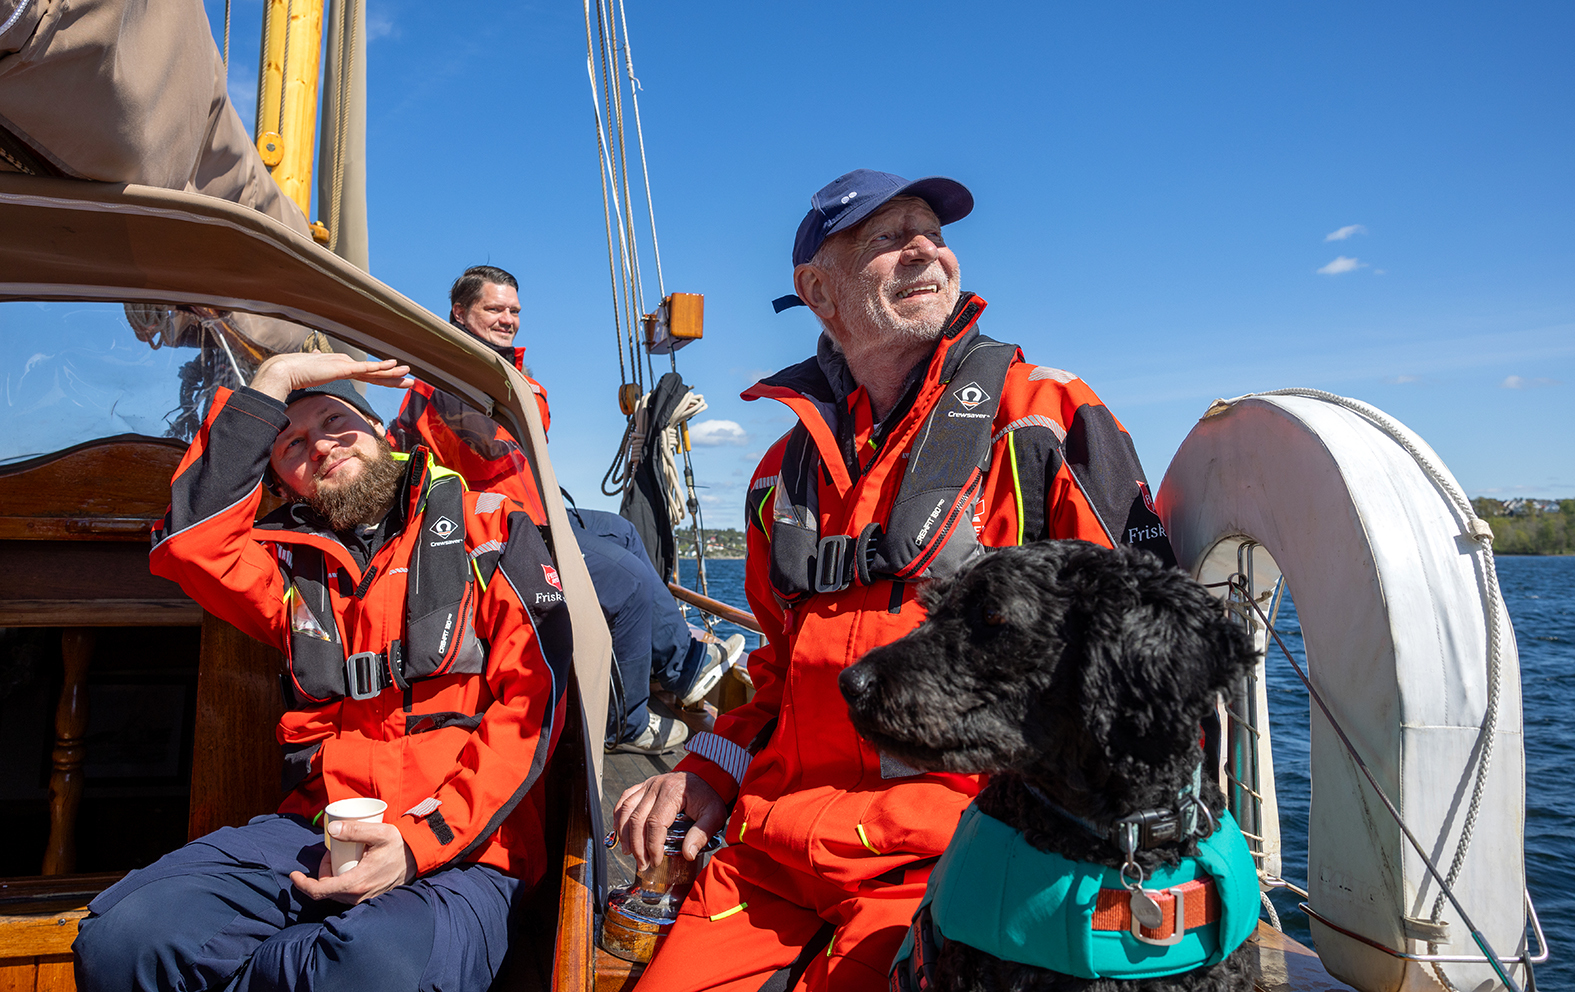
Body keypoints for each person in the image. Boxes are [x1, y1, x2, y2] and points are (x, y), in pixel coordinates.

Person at [614, 169, 1178, 992]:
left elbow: (1146, 652)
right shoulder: (779, 476)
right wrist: (706, 768)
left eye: (933, 235)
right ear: (818, 291)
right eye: (887, 238)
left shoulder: (1041, 419)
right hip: (772, 854)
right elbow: (776, 673)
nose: (924, 251)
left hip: (963, 855)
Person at [74, 352, 572, 992]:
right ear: (280, 481)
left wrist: (419, 842)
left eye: (336, 421)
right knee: (122, 942)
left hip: (466, 847)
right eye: (292, 445)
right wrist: (272, 380)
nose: (321, 446)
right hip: (315, 834)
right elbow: (189, 544)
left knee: (370, 969)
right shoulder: (286, 566)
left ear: (380, 429)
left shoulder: (492, 527)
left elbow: (533, 704)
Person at [391, 265, 744, 755]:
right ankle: (624, 724)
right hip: (499, 530)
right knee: (628, 584)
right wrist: (521, 385)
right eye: (494, 309)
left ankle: (681, 667)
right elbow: (501, 440)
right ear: (460, 312)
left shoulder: (488, 371)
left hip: (531, 510)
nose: (508, 319)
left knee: (621, 531)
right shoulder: (451, 378)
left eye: (514, 310)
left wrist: (515, 380)